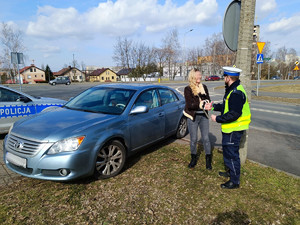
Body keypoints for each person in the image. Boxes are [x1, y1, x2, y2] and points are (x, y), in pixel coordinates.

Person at [208, 66, 251, 189]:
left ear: (228, 78)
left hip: (234, 129)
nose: (224, 79)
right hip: (230, 129)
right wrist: (212, 107)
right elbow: (226, 106)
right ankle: (230, 172)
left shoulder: (236, 93)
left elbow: (234, 114)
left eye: (224, 77)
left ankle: (235, 181)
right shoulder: (232, 90)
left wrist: (217, 119)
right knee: (228, 152)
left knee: (232, 154)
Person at [183, 68, 212, 170]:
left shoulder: (204, 87)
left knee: (206, 139)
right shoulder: (188, 89)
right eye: (198, 75)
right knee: (193, 139)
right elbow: (190, 105)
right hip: (193, 116)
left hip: (204, 116)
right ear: (192, 76)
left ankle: (208, 161)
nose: (200, 76)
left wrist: (207, 103)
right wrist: (200, 104)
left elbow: (208, 99)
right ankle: (193, 159)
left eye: (200, 74)